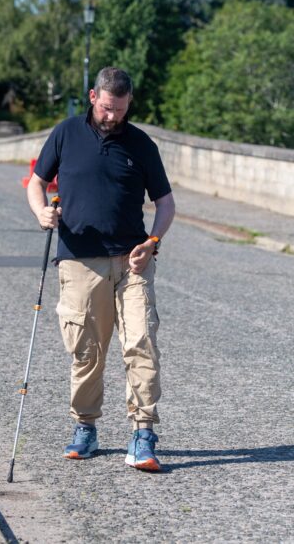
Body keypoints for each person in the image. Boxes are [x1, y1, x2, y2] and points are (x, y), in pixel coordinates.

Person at [27, 67, 175, 471]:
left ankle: (143, 434)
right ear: (94, 97)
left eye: (121, 110)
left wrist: (153, 242)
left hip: (132, 262)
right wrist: (42, 211)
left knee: (141, 343)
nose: (113, 117)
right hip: (79, 260)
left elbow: (165, 203)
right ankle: (85, 427)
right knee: (87, 350)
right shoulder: (66, 133)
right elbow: (37, 182)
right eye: (108, 108)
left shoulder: (141, 144)